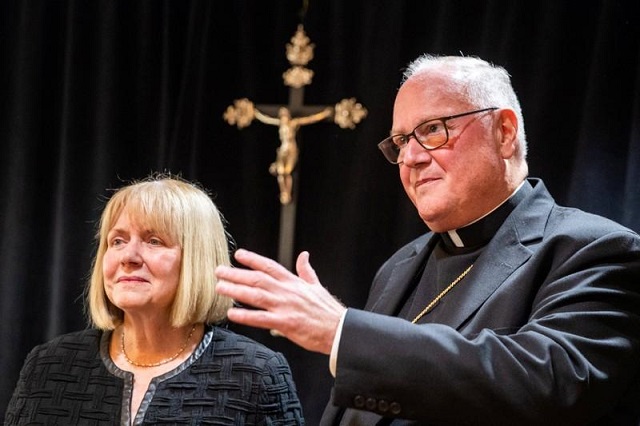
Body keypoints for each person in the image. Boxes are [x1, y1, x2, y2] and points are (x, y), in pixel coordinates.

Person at [213, 54, 640, 425]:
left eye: (433, 129)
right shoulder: (399, 267)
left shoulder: (593, 250)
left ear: (505, 132)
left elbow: (549, 382)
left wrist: (342, 332)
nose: (411, 158)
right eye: (401, 141)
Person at [4, 173, 305, 425]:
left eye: (154, 241)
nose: (129, 257)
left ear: (196, 259)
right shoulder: (49, 364)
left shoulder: (256, 373)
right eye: (117, 241)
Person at [254, 106, 334, 205]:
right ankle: (284, 192)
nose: (283, 118)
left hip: (291, 149)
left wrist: (323, 115)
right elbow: (268, 120)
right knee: (280, 172)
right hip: (283, 150)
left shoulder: (294, 123)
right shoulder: (281, 124)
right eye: (281, 116)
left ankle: (288, 192)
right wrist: (257, 115)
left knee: (287, 171)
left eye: (284, 115)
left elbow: (309, 119)